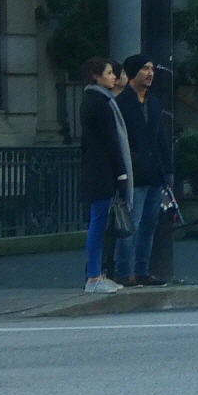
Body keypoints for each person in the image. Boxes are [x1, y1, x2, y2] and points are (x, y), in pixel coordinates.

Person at [113, 54, 171, 287]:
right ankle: (124, 272)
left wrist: (168, 170)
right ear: (133, 72)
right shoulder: (120, 103)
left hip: (155, 173)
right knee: (131, 226)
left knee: (148, 226)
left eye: (152, 69)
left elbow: (161, 138)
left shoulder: (154, 102)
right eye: (145, 69)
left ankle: (142, 271)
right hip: (133, 175)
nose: (150, 73)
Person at [79, 57, 130, 294]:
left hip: (96, 169)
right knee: (98, 224)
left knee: (98, 223)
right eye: (109, 73)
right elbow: (112, 142)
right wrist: (121, 174)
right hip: (103, 172)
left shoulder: (92, 100)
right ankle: (93, 277)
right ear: (96, 76)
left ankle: (96, 275)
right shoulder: (101, 103)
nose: (114, 77)